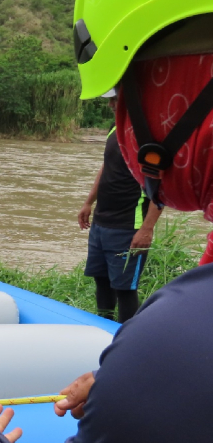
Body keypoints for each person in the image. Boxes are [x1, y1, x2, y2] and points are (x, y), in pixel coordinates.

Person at [0, 2, 213, 443]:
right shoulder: (182, 326)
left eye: (122, 96)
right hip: (106, 231)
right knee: (102, 286)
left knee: (123, 290)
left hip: (126, 240)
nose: (119, 114)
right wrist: (123, 380)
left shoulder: (178, 337)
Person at [78, 92, 162, 323]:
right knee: (101, 280)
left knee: (125, 289)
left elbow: (160, 185)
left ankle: (125, 339)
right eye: (110, 99)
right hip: (101, 223)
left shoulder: (148, 137)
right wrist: (88, 203)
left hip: (128, 227)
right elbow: (106, 167)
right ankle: (102, 328)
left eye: (116, 99)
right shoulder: (116, 130)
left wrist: (147, 229)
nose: (111, 104)